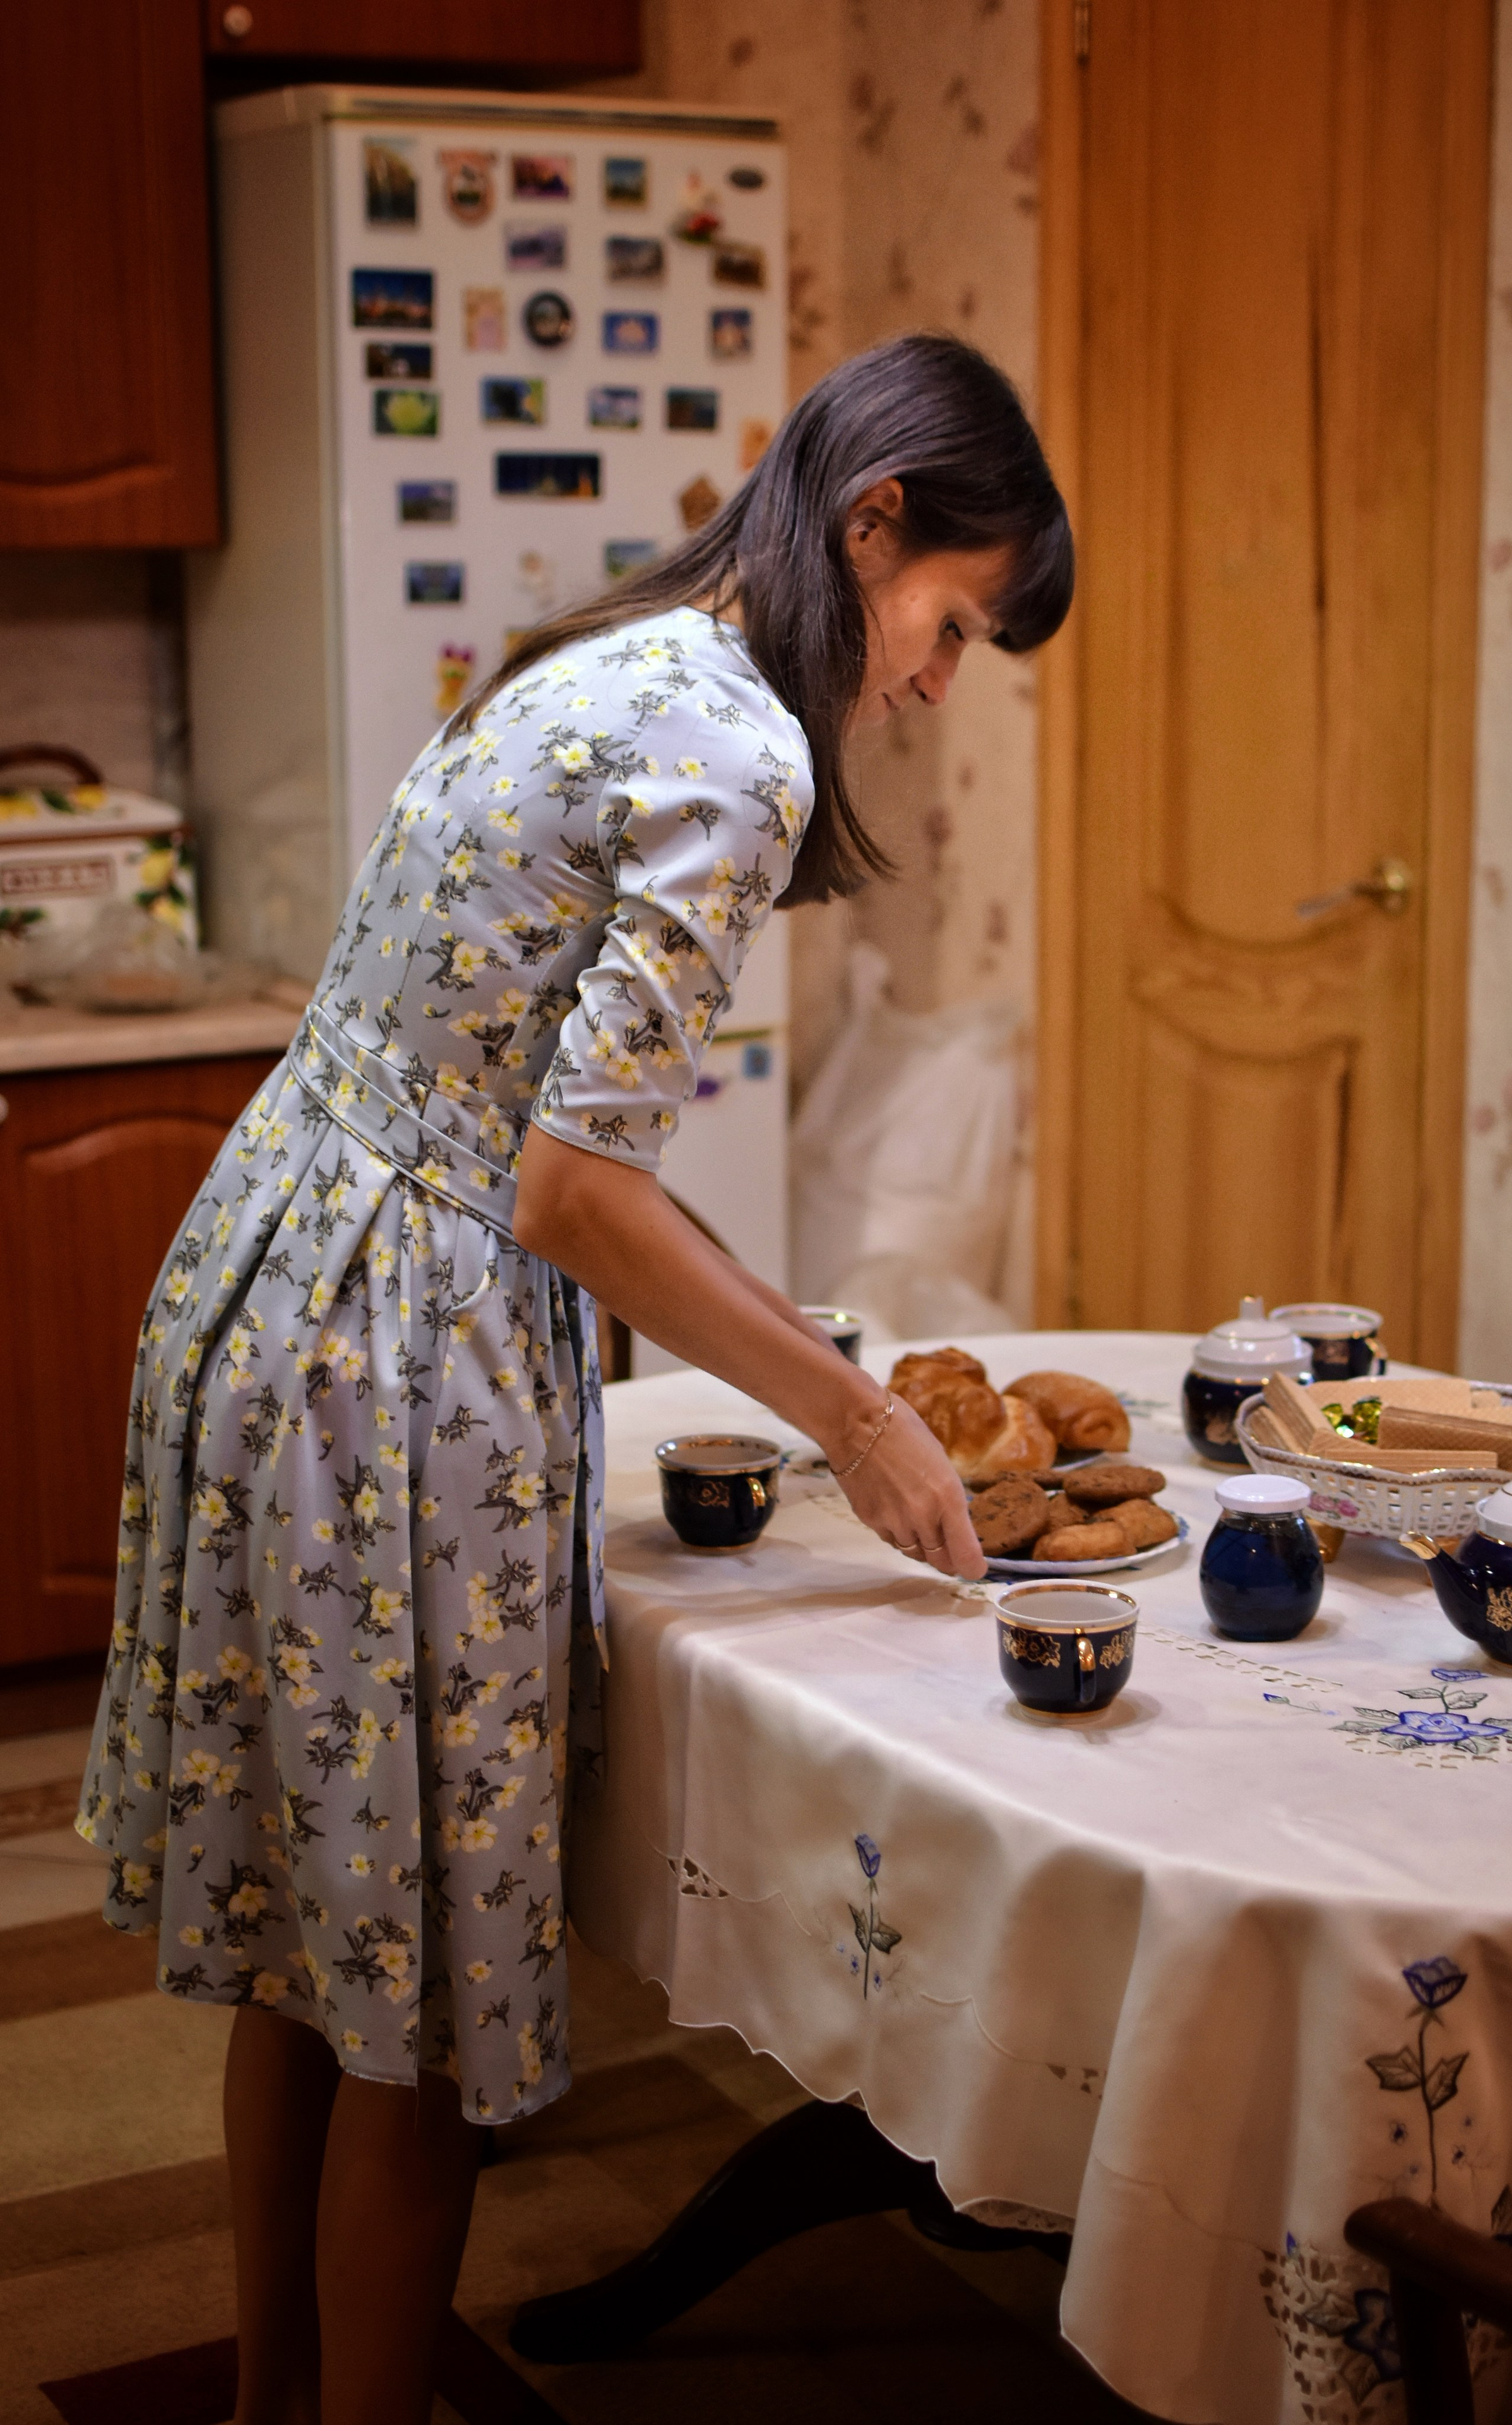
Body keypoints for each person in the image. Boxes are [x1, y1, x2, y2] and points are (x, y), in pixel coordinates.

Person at [76, 331, 1073, 2425]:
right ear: (874, 524)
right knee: (421, 2004)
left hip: (276, 1269)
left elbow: (539, 1141)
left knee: (310, 1946)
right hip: (399, 1361)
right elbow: (565, 1199)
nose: (932, 681)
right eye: (953, 624)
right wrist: (862, 1413)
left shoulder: (614, 653)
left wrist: (773, 1323)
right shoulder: (740, 749)